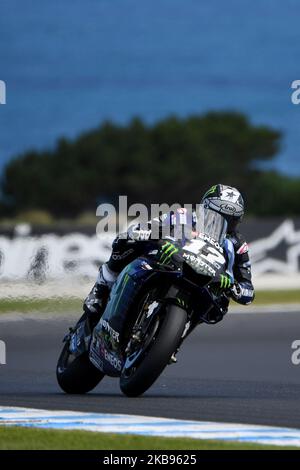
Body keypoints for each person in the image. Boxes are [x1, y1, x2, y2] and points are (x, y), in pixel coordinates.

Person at [83, 184, 255, 325]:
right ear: (204, 209)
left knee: (217, 308)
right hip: (170, 264)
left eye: (230, 220)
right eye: (215, 216)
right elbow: (149, 227)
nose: (221, 224)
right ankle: (101, 287)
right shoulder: (184, 216)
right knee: (125, 241)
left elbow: (248, 290)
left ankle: (173, 338)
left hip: (205, 287)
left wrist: (234, 288)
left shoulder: (238, 245)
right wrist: (147, 233)